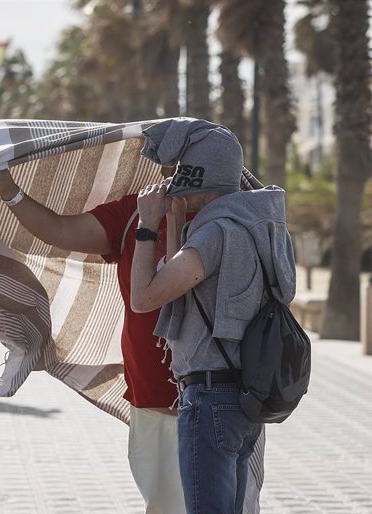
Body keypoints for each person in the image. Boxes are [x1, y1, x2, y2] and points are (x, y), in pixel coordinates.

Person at [0, 163, 191, 514]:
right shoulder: (138, 211)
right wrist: (9, 191)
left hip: (221, 396)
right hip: (154, 397)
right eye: (164, 157)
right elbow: (60, 230)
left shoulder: (230, 211)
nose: (168, 167)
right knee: (166, 505)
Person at [130, 118, 295, 513]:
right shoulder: (260, 226)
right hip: (243, 396)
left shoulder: (217, 232)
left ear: (196, 176)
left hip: (209, 399)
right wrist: (174, 222)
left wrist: (146, 226)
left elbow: (144, 297)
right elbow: (187, 284)